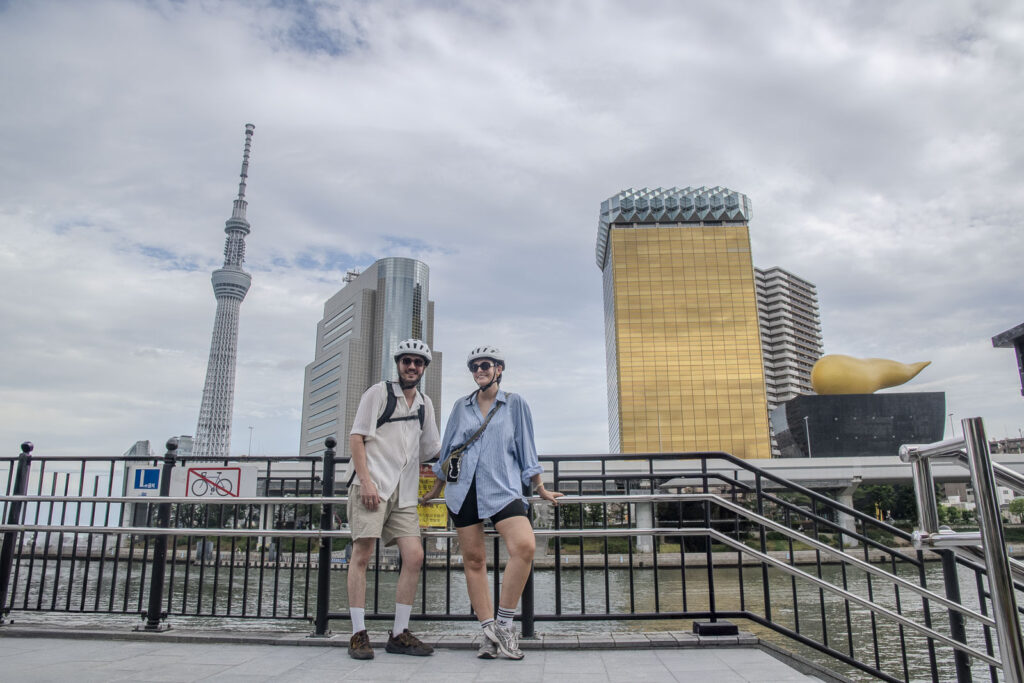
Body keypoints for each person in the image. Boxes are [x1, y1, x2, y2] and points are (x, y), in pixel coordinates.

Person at [421, 345, 562, 660]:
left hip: (503, 488)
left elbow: (527, 448)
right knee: (473, 561)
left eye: (485, 365)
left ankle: (504, 624)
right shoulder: (461, 406)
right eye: (474, 367)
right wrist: (435, 490)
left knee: (524, 547)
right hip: (464, 489)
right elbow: (449, 453)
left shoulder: (515, 404)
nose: (479, 371)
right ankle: (487, 634)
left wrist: (539, 487)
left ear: (499, 369)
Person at [345, 339, 441, 660]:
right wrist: (366, 481)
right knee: (362, 554)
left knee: (414, 557)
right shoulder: (378, 393)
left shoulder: (424, 404)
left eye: (418, 363)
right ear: (398, 364)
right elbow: (357, 437)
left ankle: (399, 633)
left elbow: (432, 450)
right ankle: (358, 633)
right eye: (406, 361)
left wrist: (459, 458)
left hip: (404, 489)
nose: (412, 367)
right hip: (372, 484)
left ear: (424, 368)